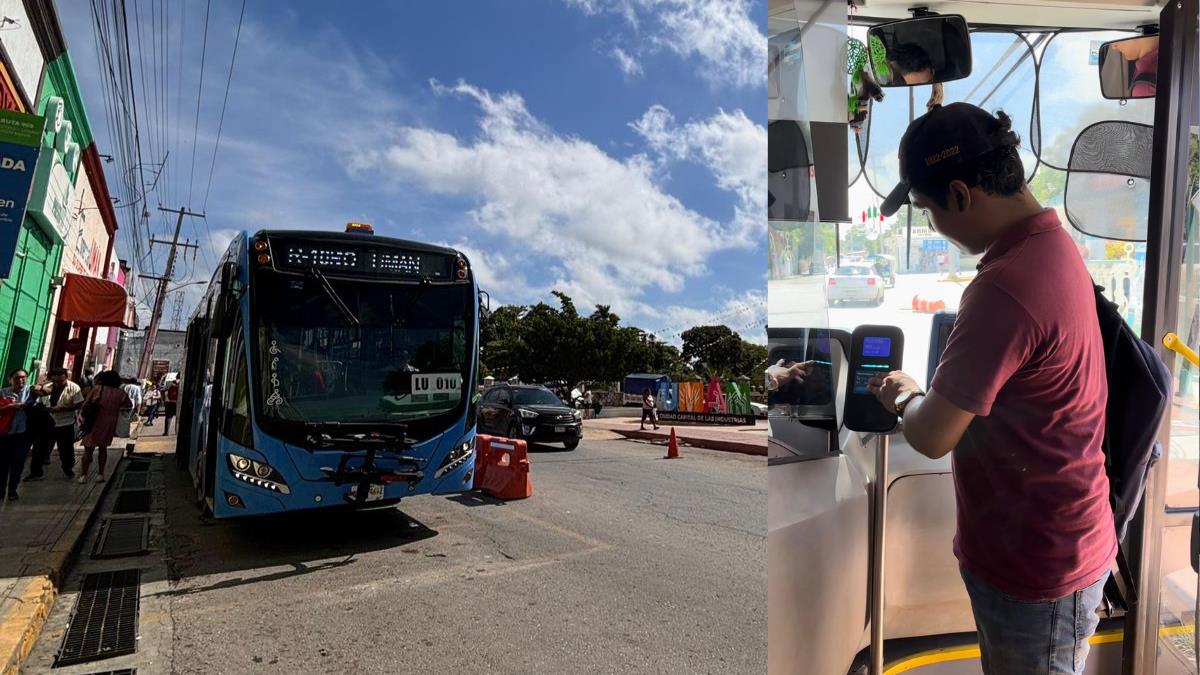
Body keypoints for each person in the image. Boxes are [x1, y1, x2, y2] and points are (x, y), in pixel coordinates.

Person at [873, 103, 1113, 675]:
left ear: (960, 194)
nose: (934, 224)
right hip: (1059, 538)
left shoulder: (1005, 286)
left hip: (1037, 567)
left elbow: (932, 435)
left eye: (929, 209)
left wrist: (904, 394)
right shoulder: (1051, 243)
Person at [27, 368, 82, 480]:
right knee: (39, 448)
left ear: (66, 378)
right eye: (55, 380)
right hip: (47, 421)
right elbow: (35, 395)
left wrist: (63, 408)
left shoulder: (74, 388)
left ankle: (68, 468)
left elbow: (78, 404)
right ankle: (36, 472)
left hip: (65, 423)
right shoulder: (48, 386)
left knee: (66, 449)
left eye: (60, 381)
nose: (57, 383)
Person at [78, 370, 132, 483]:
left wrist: (82, 416)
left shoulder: (97, 389)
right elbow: (128, 404)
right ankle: (100, 474)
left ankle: (84, 475)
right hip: (109, 423)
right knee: (103, 449)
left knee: (88, 450)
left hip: (93, 422)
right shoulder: (120, 393)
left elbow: (86, 403)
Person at [0, 369, 35, 500]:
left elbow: (46, 391)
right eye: (17, 378)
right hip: (4, 433)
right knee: (3, 463)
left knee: (18, 462)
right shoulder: (3, 392)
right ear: (10, 379)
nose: (21, 380)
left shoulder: (30, 392)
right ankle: (1, 489)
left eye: (23, 377)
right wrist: (10, 407)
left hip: (23, 434)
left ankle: (13, 490)